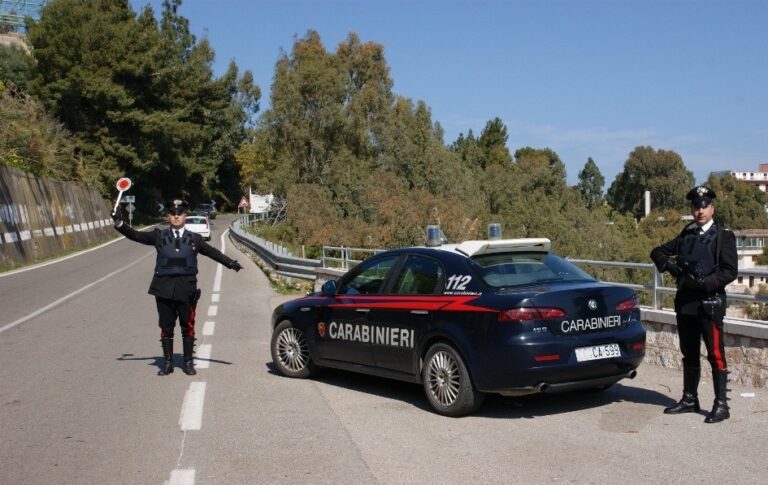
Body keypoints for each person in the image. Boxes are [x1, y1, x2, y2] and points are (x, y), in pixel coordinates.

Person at [112, 199, 243, 376]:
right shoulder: (158, 236)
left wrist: (230, 262)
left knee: (187, 326)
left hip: (186, 288)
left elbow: (212, 252)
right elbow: (136, 235)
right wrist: (120, 223)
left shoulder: (195, 239)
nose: (176, 216)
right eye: (173, 213)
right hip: (163, 288)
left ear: (185, 216)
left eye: (179, 213)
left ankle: (188, 363)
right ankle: (167, 363)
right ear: (168, 216)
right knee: (166, 327)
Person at [650, 185, 738, 423]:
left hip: (709, 303)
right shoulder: (686, 235)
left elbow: (730, 271)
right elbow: (657, 252)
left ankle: (721, 405)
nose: (700, 211)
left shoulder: (723, 236)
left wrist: (705, 283)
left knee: (715, 354)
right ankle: (690, 399)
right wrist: (671, 267)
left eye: (704, 206)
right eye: (696, 206)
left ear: (712, 208)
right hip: (686, 303)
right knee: (689, 354)